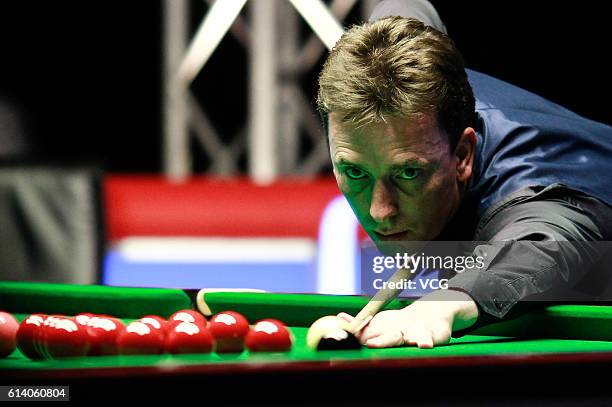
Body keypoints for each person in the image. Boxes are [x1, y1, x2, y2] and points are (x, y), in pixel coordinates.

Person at [317, 0, 612, 348]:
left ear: (462, 155)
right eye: (354, 171)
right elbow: (408, 6)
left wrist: (442, 305)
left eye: (408, 173)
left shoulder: (529, 193)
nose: (381, 210)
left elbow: (544, 249)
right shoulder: (410, 68)